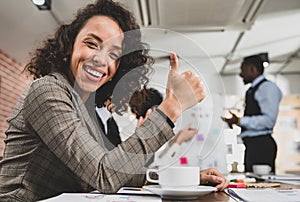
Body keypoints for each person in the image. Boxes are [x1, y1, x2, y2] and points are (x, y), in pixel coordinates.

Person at [0, 0, 227, 201]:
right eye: (91, 44)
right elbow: (104, 175)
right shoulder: (47, 91)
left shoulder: (87, 109)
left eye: (114, 54)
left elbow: (121, 172)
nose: (101, 59)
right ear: (70, 45)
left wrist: (184, 178)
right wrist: (172, 107)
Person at [222, 53, 282, 173]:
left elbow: (268, 121)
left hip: (261, 146)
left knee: (263, 187)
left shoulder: (267, 88)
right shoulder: (253, 90)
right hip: (253, 145)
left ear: (252, 69)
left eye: (242, 70)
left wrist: (240, 120)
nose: (240, 74)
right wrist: (237, 122)